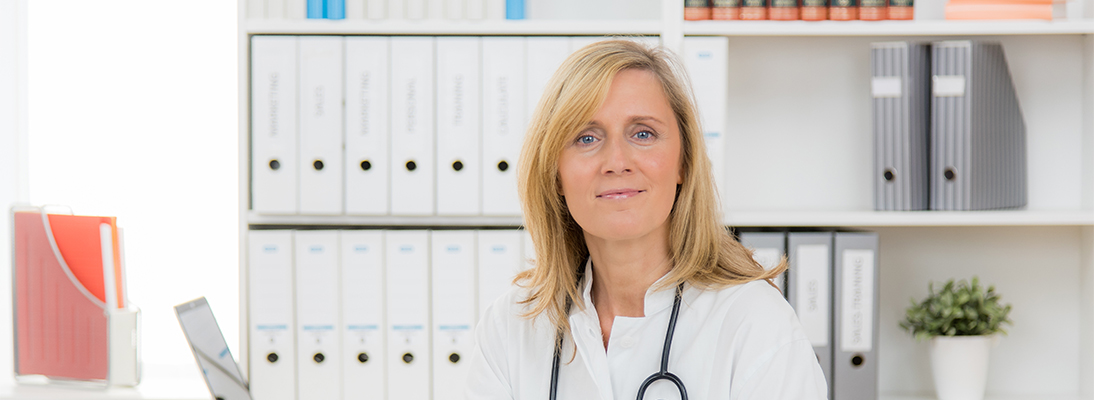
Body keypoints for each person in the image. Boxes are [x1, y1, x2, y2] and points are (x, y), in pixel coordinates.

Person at [465, 39, 828, 400]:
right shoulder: (510, 327)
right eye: (586, 137)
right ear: (555, 173)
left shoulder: (755, 325)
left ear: (684, 161)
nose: (616, 161)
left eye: (643, 133)